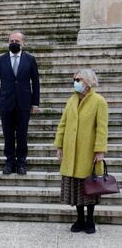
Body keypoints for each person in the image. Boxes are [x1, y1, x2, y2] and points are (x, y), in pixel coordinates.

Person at [54, 69, 108, 234]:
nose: (75, 82)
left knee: (89, 187)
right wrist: (59, 146)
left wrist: (100, 150)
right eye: (74, 79)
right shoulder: (71, 100)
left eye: (78, 79)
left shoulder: (99, 101)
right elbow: (63, 124)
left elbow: (102, 128)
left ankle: (90, 220)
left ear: (88, 81)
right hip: (71, 152)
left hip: (88, 152)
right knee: (76, 188)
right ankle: (79, 219)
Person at [0, 31, 40, 175]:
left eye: (17, 41)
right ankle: (10, 162)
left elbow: (35, 82)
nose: (14, 43)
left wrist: (35, 103)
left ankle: (21, 163)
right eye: (11, 40)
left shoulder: (30, 60)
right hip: (6, 103)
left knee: (22, 134)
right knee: (8, 134)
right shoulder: (0, 60)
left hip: (24, 103)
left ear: (23, 43)